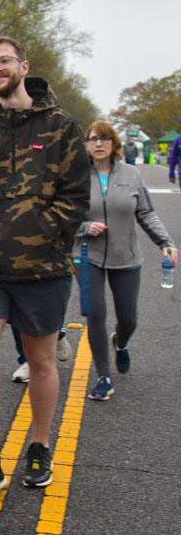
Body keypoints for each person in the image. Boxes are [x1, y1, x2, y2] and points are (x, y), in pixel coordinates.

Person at [0, 36, 90, 501]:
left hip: (41, 269)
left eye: (4, 60)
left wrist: (43, 230)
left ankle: (40, 445)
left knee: (41, 360)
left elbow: (75, 197)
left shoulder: (61, 126)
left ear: (23, 66)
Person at [78, 121, 176, 400]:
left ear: (114, 144)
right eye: (93, 138)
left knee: (128, 318)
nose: (98, 144)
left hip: (126, 255)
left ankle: (120, 343)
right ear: (86, 144)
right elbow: (62, 216)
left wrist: (165, 243)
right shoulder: (77, 176)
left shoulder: (132, 175)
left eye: (105, 139)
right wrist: (84, 228)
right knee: (95, 313)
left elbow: (146, 213)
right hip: (87, 254)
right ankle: (104, 376)